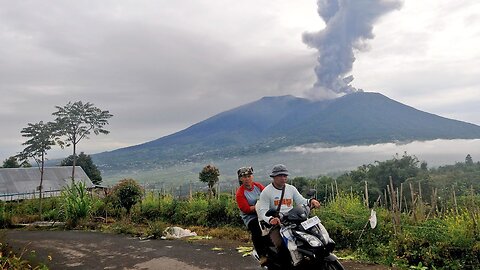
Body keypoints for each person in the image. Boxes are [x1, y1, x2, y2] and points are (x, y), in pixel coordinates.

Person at [256, 164, 321, 249]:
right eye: (280, 175)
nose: (283, 178)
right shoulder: (266, 192)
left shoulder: (291, 189)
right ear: (274, 177)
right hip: (278, 224)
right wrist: (271, 219)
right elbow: (263, 211)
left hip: (293, 220)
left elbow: (301, 201)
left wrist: (311, 201)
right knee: (280, 245)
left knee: (314, 234)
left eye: (285, 175)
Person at [235, 166, 268, 266]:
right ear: (241, 179)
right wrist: (258, 206)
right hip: (251, 217)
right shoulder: (240, 193)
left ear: (252, 177)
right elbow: (245, 209)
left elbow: (267, 195)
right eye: (244, 177)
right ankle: (262, 255)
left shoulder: (258, 186)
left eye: (249, 176)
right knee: (257, 229)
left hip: (263, 213)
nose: (247, 179)